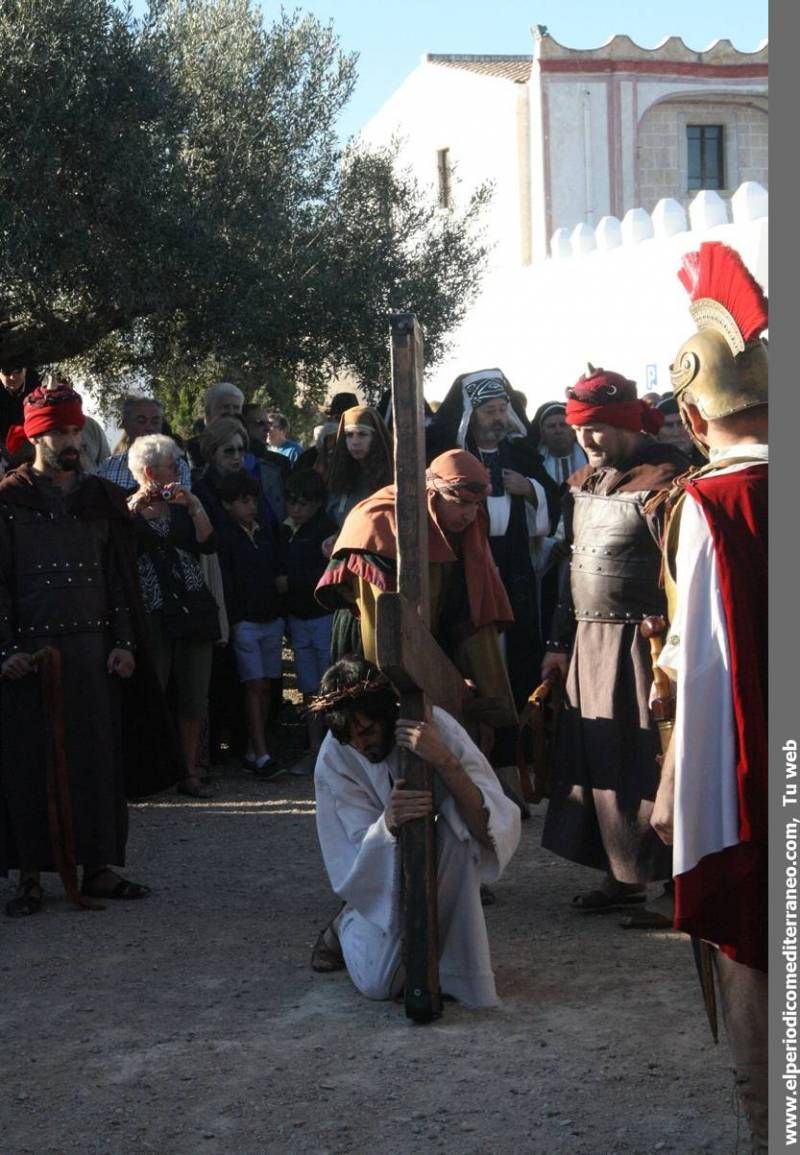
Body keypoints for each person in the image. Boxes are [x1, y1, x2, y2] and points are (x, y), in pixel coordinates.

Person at [650, 242, 768, 1150]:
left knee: (758, 940)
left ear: (693, 409)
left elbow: (703, 660)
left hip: (760, 772)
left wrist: (677, 787)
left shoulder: (713, 503)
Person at [0, 378, 172, 916]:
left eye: (77, 430)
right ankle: (30, 876)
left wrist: (123, 642)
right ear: (36, 437)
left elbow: (116, 576)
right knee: (29, 762)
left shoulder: (100, 498)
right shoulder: (9, 500)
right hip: (30, 656)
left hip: (94, 651)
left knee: (97, 761)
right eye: (62, 433)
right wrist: (6, 650)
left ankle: (98, 867)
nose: (74, 441)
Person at [540, 365, 689, 920]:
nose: (586, 438)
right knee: (600, 758)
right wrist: (559, 640)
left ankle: (679, 889)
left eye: (598, 426)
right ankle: (622, 874)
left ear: (629, 422)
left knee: (657, 762)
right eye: (580, 427)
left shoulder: (671, 479)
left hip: (648, 644)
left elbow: (684, 572)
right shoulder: (582, 482)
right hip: (589, 639)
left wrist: (675, 644)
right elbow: (570, 565)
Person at [309, 658, 520, 1006]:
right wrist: (389, 822)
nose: (361, 746)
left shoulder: (440, 728)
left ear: (385, 713)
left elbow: (491, 828)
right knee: (381, 984)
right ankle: (345, 926)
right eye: (351, 739)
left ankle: (453, 964)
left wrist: (444, 760)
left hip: (443, 866)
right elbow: (353, 854)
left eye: (366, 732)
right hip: (382, 887)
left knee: (455, 822)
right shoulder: (336, 756)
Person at [315, 449, 515, 719]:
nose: (469, 513)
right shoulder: (380, 519)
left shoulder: (468, 526)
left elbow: (472, 604)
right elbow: (380, 624)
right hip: (370, 633)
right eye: (459, 502)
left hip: (432, 637)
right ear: (433, 494)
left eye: (475, 504)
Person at [127, 434, 219, 799]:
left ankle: (189, 770)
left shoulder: (184, 505)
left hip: (192, 610)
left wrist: (194, 506)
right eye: (172, 464)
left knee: (194, 696)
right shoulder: (123, 510)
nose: (179, 469)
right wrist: (131, 509)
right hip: (151, 614)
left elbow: (210, 544)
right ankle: (150, 772)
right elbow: (112, 550)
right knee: (152, 693)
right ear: (150, 472)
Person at [216, 471, 285, 781]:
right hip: (245, 621)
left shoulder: (265, 532)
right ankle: (260, 752)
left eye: (253, 499)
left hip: (270, 618)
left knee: (267, 684)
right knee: (254, 685)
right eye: (243, 501)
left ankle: (255, 749)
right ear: (227, 504)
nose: (251, 506)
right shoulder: (225, 537)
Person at [277, 470, 338, 775]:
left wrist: (293, 582)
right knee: (308, 687)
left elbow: (328, 573)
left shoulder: (325, 529)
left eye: (303, 503)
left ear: (316, 503)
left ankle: (334, 749)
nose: (296, 508)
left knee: (330, 683)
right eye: (291, 502)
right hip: (297, 619)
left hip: (322, 615)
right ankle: (314, 748)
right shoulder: (285, 530)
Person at [96, 396, 193, 491]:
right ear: (126, 424)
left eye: (155, 422)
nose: (149, 427)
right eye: (141, 421)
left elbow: (183, 503)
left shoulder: (177, 466)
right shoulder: (107, 467)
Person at [325, 405, 393, 529]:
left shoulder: (391, 476)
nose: (355, 442)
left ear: (375, 438)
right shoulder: (341, 474)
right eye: (349, 435)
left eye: (362, 434)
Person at [0, 364, 38, 441]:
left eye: (18, 371)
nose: (13, 377)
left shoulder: (37, 389)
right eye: (7, 373)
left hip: (29, 438)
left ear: (25, 370)